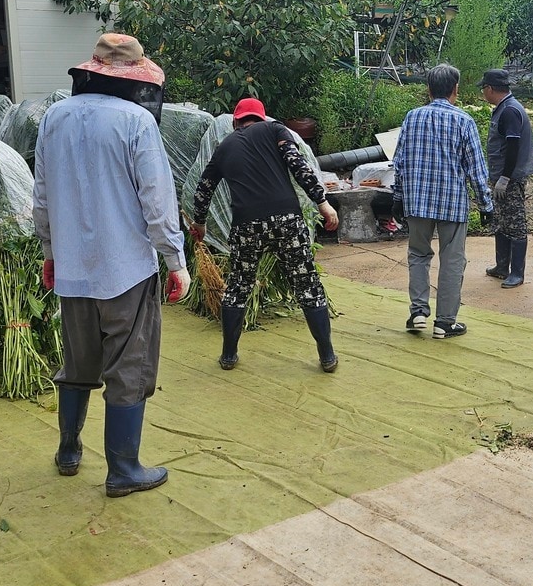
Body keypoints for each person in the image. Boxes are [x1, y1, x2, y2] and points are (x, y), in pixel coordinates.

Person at [33, 32, 190, 498]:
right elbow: (157, 200)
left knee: (77, 361)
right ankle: (123, 469)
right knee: (129, 365)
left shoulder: (55, 117)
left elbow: (42, 196)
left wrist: (50, 253)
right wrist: (175, 260)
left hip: (72, 269)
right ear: (134, 79)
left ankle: (68, 449)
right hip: (126, 269)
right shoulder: (136, 121)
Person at [189, 98, 342, 373]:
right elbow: (297, 164)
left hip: (246, 226)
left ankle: (228, 355)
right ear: (262, 118)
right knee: (306, 283)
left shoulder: (224, 146)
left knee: (238, 287)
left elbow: (203, 189)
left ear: (235, 122)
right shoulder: (275, 130)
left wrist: (200, 223)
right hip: (287, 221)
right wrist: (322, 202)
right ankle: (327, 355)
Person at [392, 64, 494, 339]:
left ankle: (418, 312)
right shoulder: (464, 121)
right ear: (455, 90)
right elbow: (476, 168)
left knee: (418, 254)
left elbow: (399, 162)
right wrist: (485, 205)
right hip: (452, 203)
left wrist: (398, 197)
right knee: (452, 260)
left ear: (428, 89)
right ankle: (445, 322)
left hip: (417, 201)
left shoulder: (412, 117)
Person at [479, 69, 533, 288]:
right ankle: (502, 266)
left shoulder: (510, 111)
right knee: (501, 221)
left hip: (510, 178)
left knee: (515, 223)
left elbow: (513, 146)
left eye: (483, 88)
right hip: (502, 176)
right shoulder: (504, 108)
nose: (483, 93)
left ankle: (517, 273)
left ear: (490, 89)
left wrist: (505, 178)